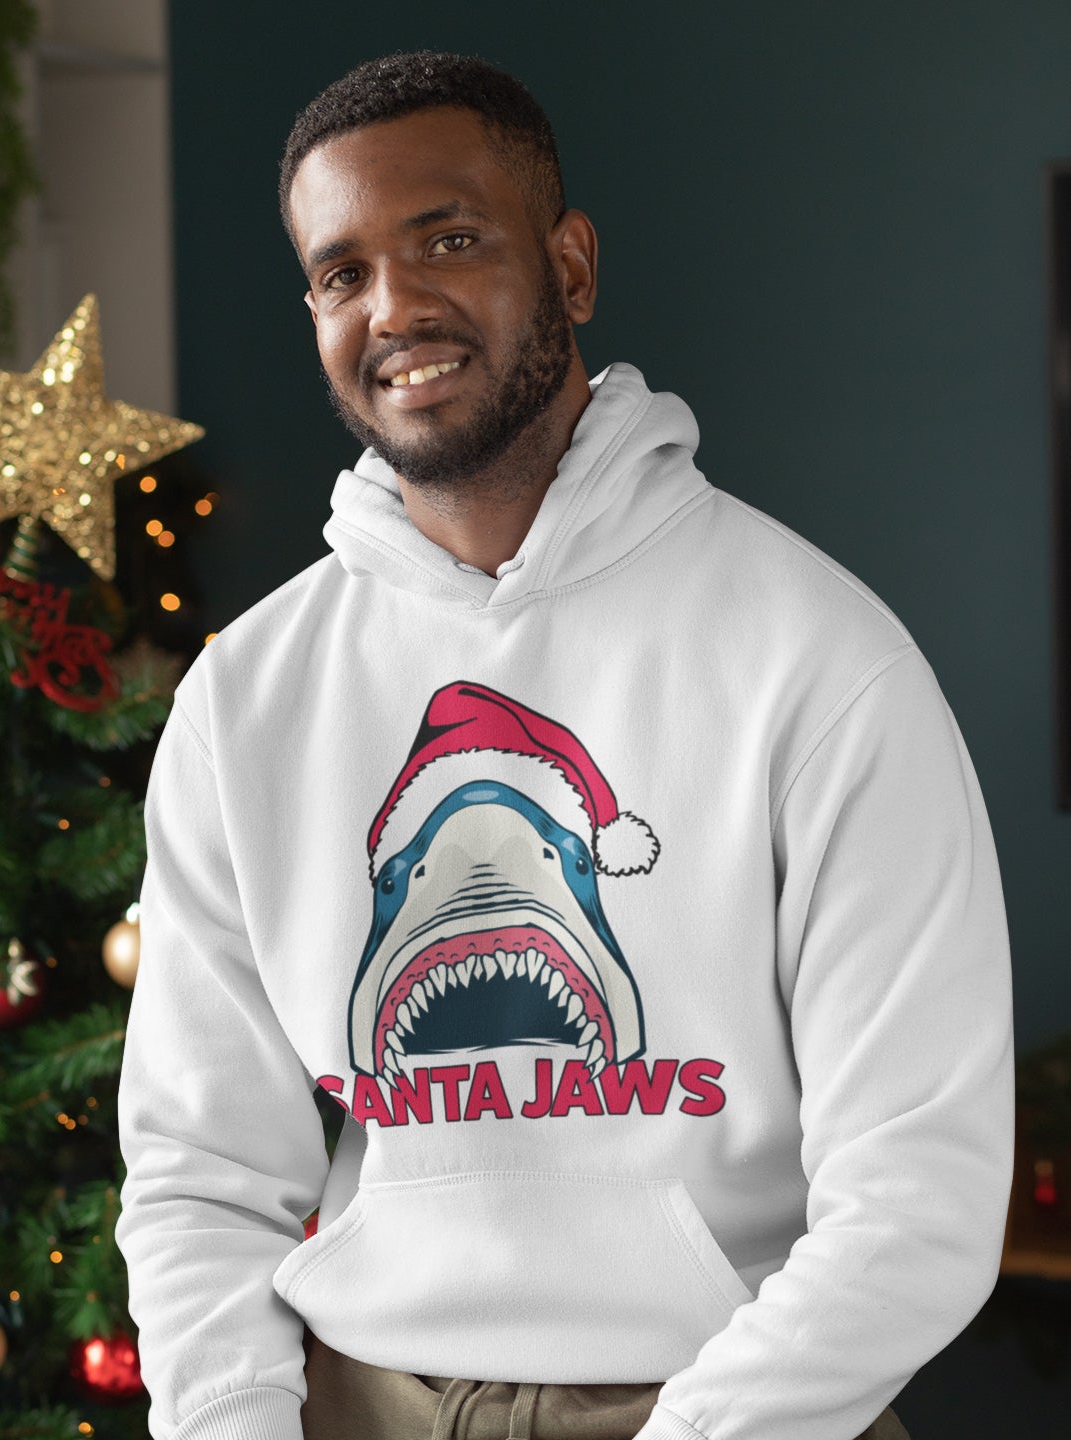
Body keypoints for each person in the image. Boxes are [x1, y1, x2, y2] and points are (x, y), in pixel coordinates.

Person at [114, 50, 1014, 1440]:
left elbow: (922, 1196)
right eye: (342, 272)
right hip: (357, 1404)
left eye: (449, 241)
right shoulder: (246, 701)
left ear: (572, 267)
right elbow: (199, 1171)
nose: (395, 306)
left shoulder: (824, 663)